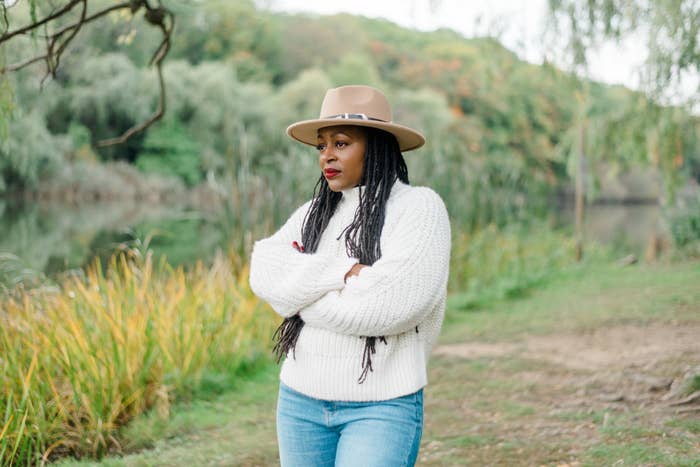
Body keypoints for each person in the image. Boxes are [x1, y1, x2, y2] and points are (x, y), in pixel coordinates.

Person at [249, 85, 451, 467]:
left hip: (381, 407)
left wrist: (298, 298)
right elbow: (263, 268)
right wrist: (343, 271)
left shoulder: (419, 209)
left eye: (341, 143)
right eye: (321, 145)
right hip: (299, 401)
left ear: (376, 147)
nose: (326, 154)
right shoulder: (316, 211)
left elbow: (387, 307)